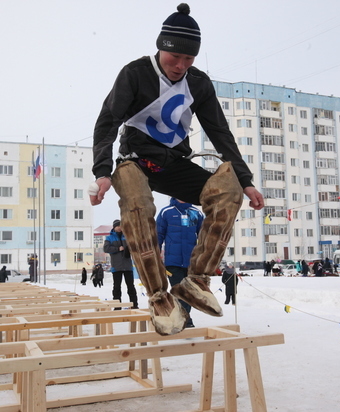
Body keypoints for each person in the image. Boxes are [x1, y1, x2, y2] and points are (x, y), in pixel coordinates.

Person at [89, 4, 263, 335]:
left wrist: (246, 181)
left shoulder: (198, 83)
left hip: (173, 164)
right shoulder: (136, 74)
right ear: (161, 47)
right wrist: (101, 172)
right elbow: (108, 121)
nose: (180, 66)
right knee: (138, 205)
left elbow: (220, 132)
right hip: (134, 161)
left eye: (189, 60)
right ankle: (159, 298)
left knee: (227, 191)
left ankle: (196, 281)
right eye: (174, 59)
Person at [157, 197, 204, 328]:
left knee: (188, 291)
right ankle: (185, 320)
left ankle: (181, 318)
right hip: (173, 261)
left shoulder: (196, 213)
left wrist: (204, 256)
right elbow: (158, 235)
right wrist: (156, 255)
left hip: (191, 261)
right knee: (178, 290)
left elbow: (203, 236)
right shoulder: (166, 212)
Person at [104, 220, 139, 310]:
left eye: (121, 226)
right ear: (114, 227)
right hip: (116, 267)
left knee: (131, 287)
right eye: (117, 226)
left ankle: (134, 305)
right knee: (116, 287)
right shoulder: (109, 238)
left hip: (127, 266)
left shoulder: (127, 236)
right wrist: (117, 248)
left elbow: (135, 247)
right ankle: (117, 306)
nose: (119, 227)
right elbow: (106, 248)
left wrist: (129, 249)